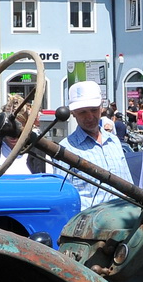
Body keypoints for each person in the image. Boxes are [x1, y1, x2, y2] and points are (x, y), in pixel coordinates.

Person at [58, 79, 135, 208]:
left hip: (122, 220)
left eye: (93, 110)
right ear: (73, 114)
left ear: (101, 108)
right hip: (89, 224)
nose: (89, 117)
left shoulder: (113, 141)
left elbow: (129, 187)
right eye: (82, 112)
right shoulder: (66, 150)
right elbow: (63, 200)